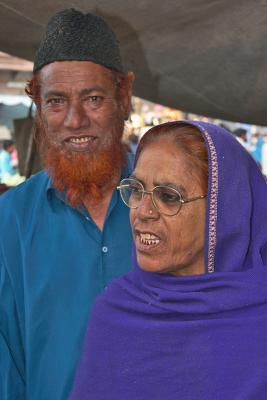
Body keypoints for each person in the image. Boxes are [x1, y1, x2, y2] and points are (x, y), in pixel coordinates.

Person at [70, 121, 267, 399]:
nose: (143, 212)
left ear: (223, 211)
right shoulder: (117, 313)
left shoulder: (259, 322)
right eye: (136, 189)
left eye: (168, 197)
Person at [0, 8, 134, 400]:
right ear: (39, 110)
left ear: (123, 98)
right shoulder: (11, 221)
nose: (74, 121)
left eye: (93, 98)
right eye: (56, 101)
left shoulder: (177, 204)